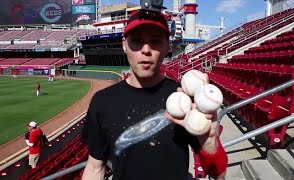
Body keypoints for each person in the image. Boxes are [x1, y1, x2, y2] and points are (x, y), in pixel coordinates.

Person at [81, 9, 228, 180]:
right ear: (124, 45)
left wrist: (210, 143)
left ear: (167, 47)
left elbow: (219, 175)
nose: (146, 50)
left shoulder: (184, 99)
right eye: (137, 41)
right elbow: (94, 168)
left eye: (156, 41)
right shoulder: (102, 102)